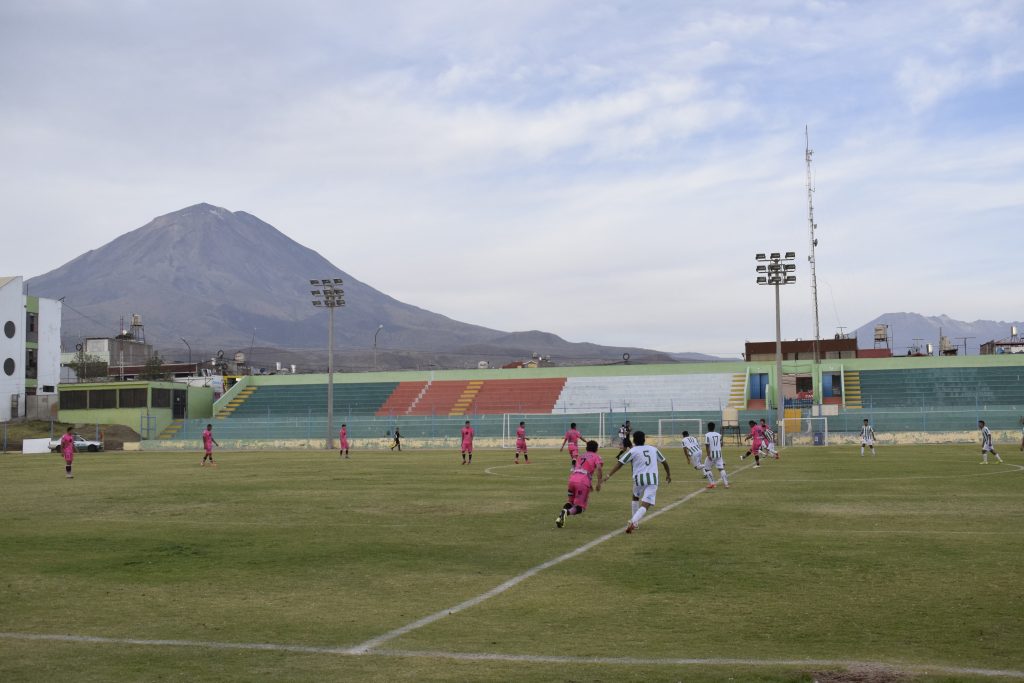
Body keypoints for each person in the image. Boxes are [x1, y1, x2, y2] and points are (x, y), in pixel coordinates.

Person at [602, 430, 671, 534]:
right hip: (652, 480)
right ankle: (633, 521)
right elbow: (664, 462)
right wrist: (668, 474)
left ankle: (635, 523)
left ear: (633, 440)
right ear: (644, 439)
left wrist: (608, 475)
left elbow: (620, 463)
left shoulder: (633, 451)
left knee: (635, 497)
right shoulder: (653, 449)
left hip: (638, 480)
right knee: (645, 504)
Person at [556, 440, 603, 527]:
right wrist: (599, 483)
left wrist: (590, 485)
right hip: (582, 482)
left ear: (586, 448)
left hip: (572, 479)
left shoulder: (581, 456)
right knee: (581, 507)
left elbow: (582, 469)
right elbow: (599, 468)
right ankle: (566, 512)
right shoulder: (596, 456)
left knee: (570, 502)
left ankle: (560, 517)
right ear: (596, 449)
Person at [704, 422, 730, 489]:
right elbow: (721, 444)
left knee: (707, 469)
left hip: (711, 454)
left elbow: (707, 445)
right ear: (714, 427)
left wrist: (708, 455)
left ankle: (712, 484)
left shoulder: (707, 435)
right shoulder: (719, 435)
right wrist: (718, 449)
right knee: (721, 468)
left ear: (708, 427)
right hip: (719, 454)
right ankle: (726, 484)